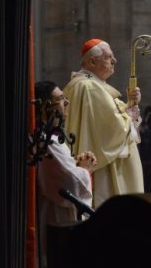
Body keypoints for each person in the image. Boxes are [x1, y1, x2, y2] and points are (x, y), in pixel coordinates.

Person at [63, 38, 143, 207]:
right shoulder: (89, 87)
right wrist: (129, 115)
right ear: (92, 61)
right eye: (109, 57)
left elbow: (115, 118)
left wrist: (130, 105)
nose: (114, 61)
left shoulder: (89, 85)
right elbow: (113, 130)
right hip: (105, 171)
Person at [35, 81, 96, 266]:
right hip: (56, 217)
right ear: (45, 107)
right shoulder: (46, 142)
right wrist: (85, 169)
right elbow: (69, 186)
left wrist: (76, 164)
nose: (66, 103)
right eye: (61, 99)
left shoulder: (49, 138)